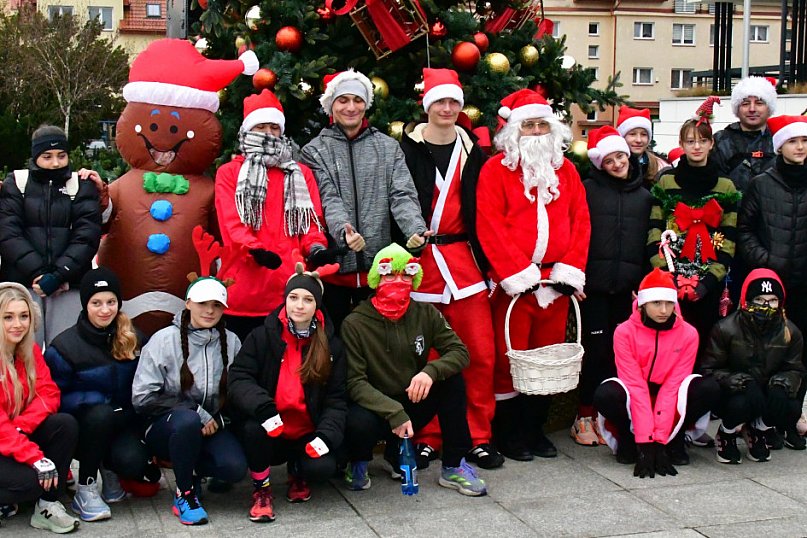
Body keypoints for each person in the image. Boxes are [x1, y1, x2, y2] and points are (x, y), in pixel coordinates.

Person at [476, 89, 590, 461]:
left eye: (543, 124)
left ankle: (534, 429)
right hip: (515, 286)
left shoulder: (567, 170)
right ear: (513, 131)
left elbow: (580, 222)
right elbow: (489, 225)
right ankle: (507, 433)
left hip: (556, 285)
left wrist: (569, 272)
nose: (538, 131)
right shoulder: (495, 171)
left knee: (548, 359)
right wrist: (517, 274)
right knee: (510, 360)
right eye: (529, 125)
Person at [398, 68, 502, 469]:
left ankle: (477, 435)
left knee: (478, 353)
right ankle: (428, 434)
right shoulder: (403, 150)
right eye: (439, 101)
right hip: (420, 264)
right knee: (425, 356)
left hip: (465, 265)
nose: (446, 108)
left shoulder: (477, 153)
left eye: (453, 102)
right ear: (427, 106)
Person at [342, 244, 486, 496]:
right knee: (357, 420)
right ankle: (358, 462)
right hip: (375, 407)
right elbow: (354, 382)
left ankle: (453, 465)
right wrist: (393, 412)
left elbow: (460, 352)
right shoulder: (355, 323)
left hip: (412, 398)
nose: (399, 281)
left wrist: (430, 371)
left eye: (406, 275)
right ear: (377, 278)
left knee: (452, 381)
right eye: (390, 275)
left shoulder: (425, 313)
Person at [300, 69, 429, 332]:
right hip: (333, 273)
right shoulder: (314, 151)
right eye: (343, 100)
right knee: (333, 344)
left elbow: (402, 194)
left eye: (357, 100)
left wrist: (415, 229)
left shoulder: (387, 147)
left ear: (366, 104)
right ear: (331, 105)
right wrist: (344, 234)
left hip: (378, 272)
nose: (350, 107)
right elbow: (327, 199)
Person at [228, 261, 346, 522]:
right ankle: (262, 489)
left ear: (317, 306)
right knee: (251, 429)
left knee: (322, 468)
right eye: (293, 297)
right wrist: (264, 408)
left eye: (307, 299)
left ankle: (298, 472)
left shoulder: (332, 346)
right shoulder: (262, 336)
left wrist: (326, 436)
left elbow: (337, 400)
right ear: (285, 300)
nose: (299, 305)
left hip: (306, 432)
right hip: (271, 427)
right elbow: (239, 377)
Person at [44, 268, 160, 522]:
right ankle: (85, 488)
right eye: (96, 303)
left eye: (111, 302)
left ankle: (110, 468)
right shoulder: (64, 347)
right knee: (101, 414)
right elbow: (51, 397)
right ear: (85, 305)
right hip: (82, 426)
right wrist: (94, 402)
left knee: (133, 462)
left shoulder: (134, 337)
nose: (105, 310)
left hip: (122, 422)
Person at [215, 90, 330, 341]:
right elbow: (230, 223)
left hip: (289, 289)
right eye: (261, 126)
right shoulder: (229, 173)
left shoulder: (299, 173)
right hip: (245, 286)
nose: (268, 132)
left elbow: (311, 221)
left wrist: (317, 248)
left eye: (274, 127)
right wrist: (254, 249)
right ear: (248, 130)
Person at [132, 274, 246, 526]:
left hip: (211, 426)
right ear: (188, 303)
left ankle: (190, 468)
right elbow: (142, 397)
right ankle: (185, 493)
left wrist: (218, 419)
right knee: (186, 420)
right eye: (203, 303)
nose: (209, 310)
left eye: (217, 305)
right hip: (168, 425)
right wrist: (195, 411)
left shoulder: (232, 341)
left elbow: (239, 392)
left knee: (234, 468)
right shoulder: (163, 340)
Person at [593, 269, 720, 477]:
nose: (664, 310)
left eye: (669, 303)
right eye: (656, 303)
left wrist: (660, 441)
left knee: (708, 388)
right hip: (637, 393)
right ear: (643, 303)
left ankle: (676, 439)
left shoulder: (688, 333)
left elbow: (674, 386)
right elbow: (634, 384)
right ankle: (628, 439)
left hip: (671, 394)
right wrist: (645, 444)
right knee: (606, 393)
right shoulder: (624, 331)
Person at [572, 126, 652, 445]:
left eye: (621, 156)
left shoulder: (645, 196)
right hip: (593, 288)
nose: (617, 164)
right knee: (595, 352)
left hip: (627, 289)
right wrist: (576, 275)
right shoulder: (588, 190)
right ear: (599, 164)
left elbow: (649, 244)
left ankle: (611, 413)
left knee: (621, 355)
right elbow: (575, 232)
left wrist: (644, 284)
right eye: (609, 160)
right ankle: (584, 415)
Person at [647, 114, 739, 362]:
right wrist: (668, 275)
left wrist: (709, 281)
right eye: (690, 141)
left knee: (706, 343)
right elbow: (654, 231)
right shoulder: (666, 182)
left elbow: (729, 240)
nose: (696, 147)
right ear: (682, 144)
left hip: (709, 281)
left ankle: (701, 393)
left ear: (711, 144)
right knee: (670, 343)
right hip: (672, 278)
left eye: (702, 141)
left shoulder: (726, 187)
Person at [738, 115, 807, 439]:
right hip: (771, 284)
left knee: (798, 355)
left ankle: (790, 419)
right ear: (781, 147)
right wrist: (767, 262)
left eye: (805, 141)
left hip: (804, 283)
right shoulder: (762, 184)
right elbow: (745, 230)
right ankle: (762, 421)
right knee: (767, 352)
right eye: (794, 141)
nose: (800, 147)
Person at [0, 125, 102, 345]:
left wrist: (58, 275)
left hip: (67, 285)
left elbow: (87, 235)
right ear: (35, 156)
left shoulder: (81, 185)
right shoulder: (16, 183)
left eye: (61, 156)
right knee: (21, 349)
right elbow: (8, 232)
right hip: (23, 284)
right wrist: (38, 273)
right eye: (47, 156)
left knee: (66, 349)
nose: (55, 163)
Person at [702, 269, 806, 464]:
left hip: (767, 389)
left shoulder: (791, 331)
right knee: (740, 404)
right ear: (747, 300)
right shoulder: (725, 328)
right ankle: (727, 432)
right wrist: (739, 381)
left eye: (772, 300)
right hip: (736, 392)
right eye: (759, 299)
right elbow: (709, 369)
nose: (766, 306)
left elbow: (795, 368)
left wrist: (783, 383)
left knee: (790, 406)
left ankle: (759, 429)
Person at [0, 283, 80, 534]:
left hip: (15, 434)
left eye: (24, 316)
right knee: (31, 483)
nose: (18, 324)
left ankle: (47, 505)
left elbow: (48, 393)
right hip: (5, 437)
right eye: (8, 317)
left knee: (64, 424)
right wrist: (34, 457)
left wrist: (23, 426)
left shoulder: (28, 350)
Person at [712, 76, 778, 193]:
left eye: (759, 103)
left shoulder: (779, 139)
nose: (752, 109)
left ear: (769, 108)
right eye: (745, 104)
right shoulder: (721, 141)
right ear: (737, 109)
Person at [615, 105, 669, 188]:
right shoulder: (613, 165)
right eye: (632, 134)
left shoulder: (660, 167)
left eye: (644, 134)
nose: (639, 140)